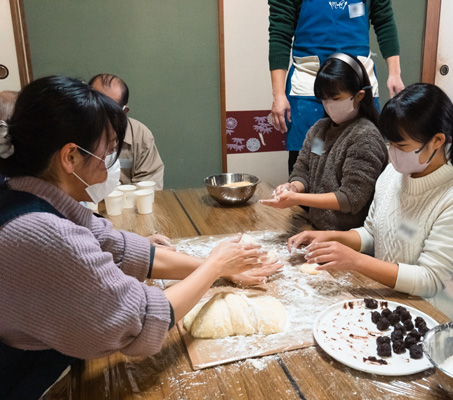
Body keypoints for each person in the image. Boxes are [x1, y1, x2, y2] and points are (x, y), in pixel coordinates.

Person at [0, 76, 279, 399]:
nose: (109, 168)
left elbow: (120, 248)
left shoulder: (27, 193)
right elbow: (141, 320)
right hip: (27, 381)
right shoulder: (42, 233)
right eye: (106, 153)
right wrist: (214, 267)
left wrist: (221, 266)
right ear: (70, 157)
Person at [288, 83, 453, 321]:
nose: (393, 152)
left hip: (430, 316)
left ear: (437, 141)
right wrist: (331, 237)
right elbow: (372, 232)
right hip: (387, 305)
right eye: (391, 144)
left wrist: (355, 261)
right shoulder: (392, 175)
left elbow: (429, 280)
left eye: (402, 146)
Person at [268, 0, 405, 173]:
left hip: (356, 84)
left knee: (361, 149)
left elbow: (384, 20)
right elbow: (280, 33)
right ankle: (305, 198)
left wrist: (394, 73)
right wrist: (278, 94)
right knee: (312, 154)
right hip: (310, 87)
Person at [260, 53, 388, 231]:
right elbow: (304, 170)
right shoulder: (320, 131)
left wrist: (297, 199)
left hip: (350, 239)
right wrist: (293, 187)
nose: (328, 105)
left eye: (335, 99)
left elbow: (351, 199)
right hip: (317, 229)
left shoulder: (365, 137)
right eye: (324, 99)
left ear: (359, 96)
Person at [89, 73, 165, 189]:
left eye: (109, 109)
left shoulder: (139, 135)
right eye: (95, 104)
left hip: (126, 204)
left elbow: (148, 187)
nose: (100, 114)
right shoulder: (70, 131)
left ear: (123, 112)